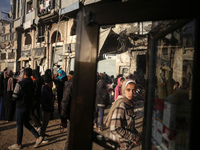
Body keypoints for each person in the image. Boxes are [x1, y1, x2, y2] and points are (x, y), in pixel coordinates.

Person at [9, 68, 43, 149]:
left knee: (19, 125)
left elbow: (14, 96)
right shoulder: (33, 83)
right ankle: (38, 137)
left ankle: (18, 144)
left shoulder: (20, 84)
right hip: (28, 106)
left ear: (24, 74)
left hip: (20, 106)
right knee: (26, 123)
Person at [104, 79, 140, 150]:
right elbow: (115, 128)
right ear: (123, 90)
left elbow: (129, 125)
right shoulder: (122, 105)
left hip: (126, 144)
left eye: (134, 90)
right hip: (120, 144)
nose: (131, 93)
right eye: (128, 90)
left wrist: (136, 134)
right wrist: (134, 137)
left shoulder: (129, 103)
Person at [60, 71, 74, 150]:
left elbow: (64, 101)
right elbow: (65, 102)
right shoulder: (71, 84)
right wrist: (64, 119)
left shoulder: (71, 84)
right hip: (73, 116)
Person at [40, 78, 54, 143]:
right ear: (47, 84)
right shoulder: (45, 91)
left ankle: (43, 133)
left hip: (47, 108)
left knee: (46, 122)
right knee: (45, 122)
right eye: (51, 84)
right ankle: (41, 135)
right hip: (46, 109)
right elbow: (44, 101)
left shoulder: (47, 89)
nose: (52, 85)